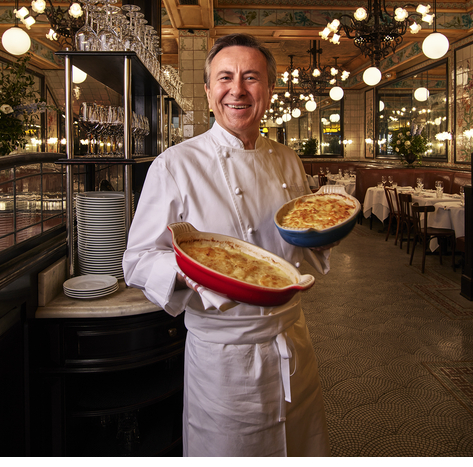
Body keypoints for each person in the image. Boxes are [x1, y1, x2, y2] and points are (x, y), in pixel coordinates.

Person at [122, 33, 330, 456]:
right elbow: (138, 259)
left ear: (269, 91)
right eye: (225, 78)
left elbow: (298, 239)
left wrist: (327, 232)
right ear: (208, 90)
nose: (237, 89)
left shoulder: (288, 159)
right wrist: (188, 274)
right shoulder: (176, 164)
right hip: (224, 358)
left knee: (300, 447)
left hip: (292, 339)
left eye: (251, 78)